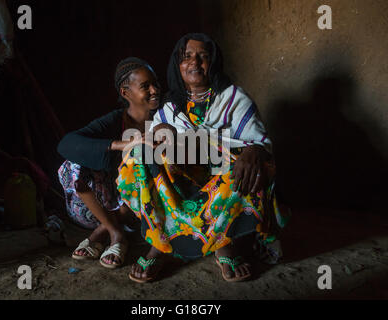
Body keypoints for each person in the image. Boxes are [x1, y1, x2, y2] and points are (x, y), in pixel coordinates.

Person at [117, 34, 290, 283]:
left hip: (222, 183)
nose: (194, 63)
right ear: (178, 65)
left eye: (202, 56)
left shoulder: (233, 98)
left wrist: (254, 150)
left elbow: (259, 142)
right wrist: (162, 134)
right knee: (139, 155)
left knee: (257, 165)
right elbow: (157, 139)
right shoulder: (168, 106)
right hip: (180, 185)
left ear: (213, 62)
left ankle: (223, 243)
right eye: (186, 57)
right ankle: (160, 244)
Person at [57, 57, 161, 268]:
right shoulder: (115, 120)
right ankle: (116, 233)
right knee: (72, 164)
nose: (154, 90)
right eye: (145, 86)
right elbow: (66, 144)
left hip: (149, 205)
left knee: (143, 164)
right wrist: (119, 144)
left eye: (155, 83)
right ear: (125, 93)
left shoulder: (166, 116)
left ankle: (102, 230)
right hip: (103, 204)